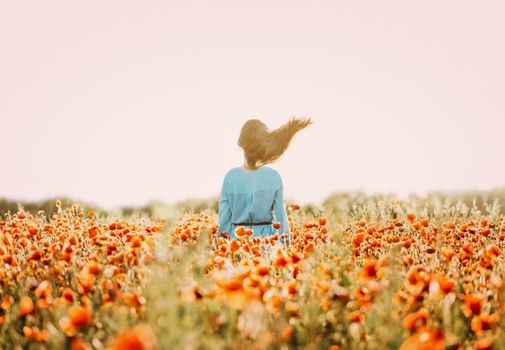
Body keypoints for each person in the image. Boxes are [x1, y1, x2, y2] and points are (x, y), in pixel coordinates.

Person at [217, 117, 313, 242]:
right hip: (267, 243)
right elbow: (281, 218)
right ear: (263, 145)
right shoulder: (273, 177)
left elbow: (224, 220)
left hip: (238, 243)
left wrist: (222, 246)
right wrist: (286, 244)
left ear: (241, 144)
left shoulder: (230, 177)